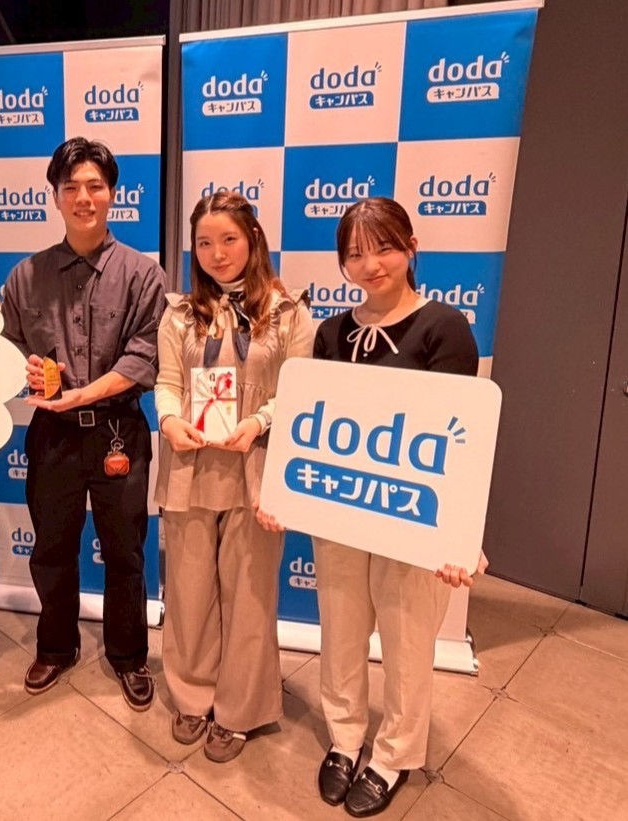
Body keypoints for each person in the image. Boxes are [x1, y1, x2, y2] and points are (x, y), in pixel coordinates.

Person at [256, 197, 488, 816]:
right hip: (342, 516)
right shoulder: (332, 333)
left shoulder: (444, 327)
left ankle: (393, 756)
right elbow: (310, 426)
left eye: (384, 247)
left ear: (411, 247)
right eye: (355, 254)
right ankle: (345, 738)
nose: (371, 264)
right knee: (340, 633)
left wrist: (459, 535)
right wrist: (281, 493)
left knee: (409, 644)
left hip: (411, 520)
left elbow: (457, 438)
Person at [1, 137, 166, 710]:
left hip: (119, 430)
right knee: (51, 549)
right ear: (54, 196)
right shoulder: (25, 276)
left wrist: (84, 395)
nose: (83, 197)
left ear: (112, 194)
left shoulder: (144, 274)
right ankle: (55, 646)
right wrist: (21, 368)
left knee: (125, 552)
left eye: (95, 185)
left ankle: (129, 655)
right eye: (70, 187)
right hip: (52, 435)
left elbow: (145, 355)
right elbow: (5, 348)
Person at [155, 191, 313, 762]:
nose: (217, 253)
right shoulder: (178, 313)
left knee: (250, 596)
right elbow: (167, 382)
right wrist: (168, 420)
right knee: (189, 592)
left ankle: (240, 709)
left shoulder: (290, 313)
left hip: (258, 469)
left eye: (228, 240)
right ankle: (192, 696)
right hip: (190, 466)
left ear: (253, 240)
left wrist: (260, 421)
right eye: (204, 243)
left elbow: (300, 392)